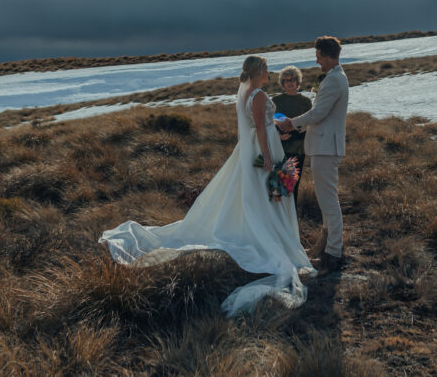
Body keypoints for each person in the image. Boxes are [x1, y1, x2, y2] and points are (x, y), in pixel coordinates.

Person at [99, 55, 314, 316]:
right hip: (264, 149)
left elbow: (263, 123)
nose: (270, 72)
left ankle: (276, 232)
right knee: (272, 193)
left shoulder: (251, 93)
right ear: (259, 72)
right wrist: (268, 154)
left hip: (260, 145)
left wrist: (278, 124)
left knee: (267, 193)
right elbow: (259, 126)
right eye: (267, 69)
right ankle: (275, 235)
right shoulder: (257, 95)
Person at [277, 36, 348, 273]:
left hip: (326, 148)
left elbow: (317, 113)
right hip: (323, 146)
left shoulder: (334, 80)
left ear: (328, 56)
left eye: (318, 56)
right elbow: (319, 114)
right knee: (326, 201)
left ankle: (334, 253)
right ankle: (327, 247)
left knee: (328, 202)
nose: (317, 61)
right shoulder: (334, 78)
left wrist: (291, 124)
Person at [272, 65, 311, 206]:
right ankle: (279, 218)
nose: (290, 83)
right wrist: (277, 135)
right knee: (279, 185)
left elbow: (310, 125)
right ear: (282, 83)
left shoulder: (306, 102)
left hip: (298, 149)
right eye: (286, 80)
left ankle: (291, 218)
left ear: (298, 81)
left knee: (293, 185)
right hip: (279, 149)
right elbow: (268, 123)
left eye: (293, 79)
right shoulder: (275, 101)